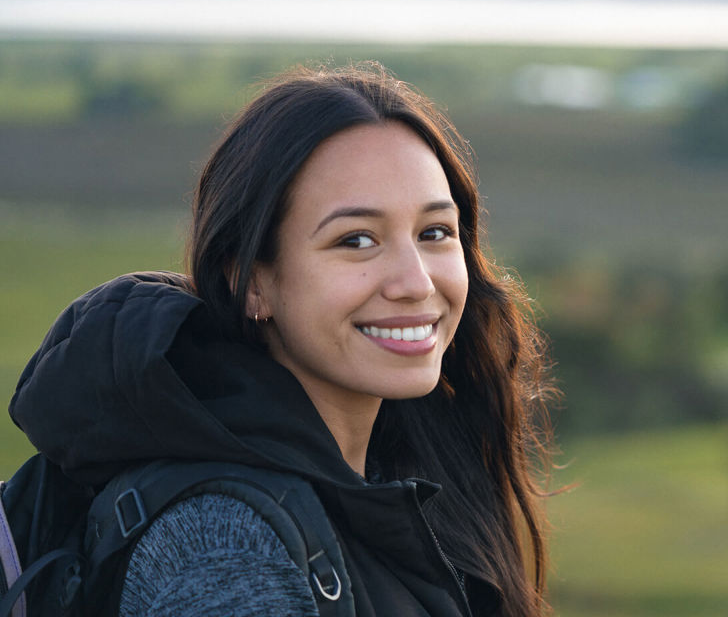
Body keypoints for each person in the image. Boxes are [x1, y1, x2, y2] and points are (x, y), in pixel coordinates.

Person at [10, 63, 556, 616]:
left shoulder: (400, 471)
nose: (416, 283)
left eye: (434, 232)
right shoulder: (225, 548)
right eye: (357, 240)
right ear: (251, 284)